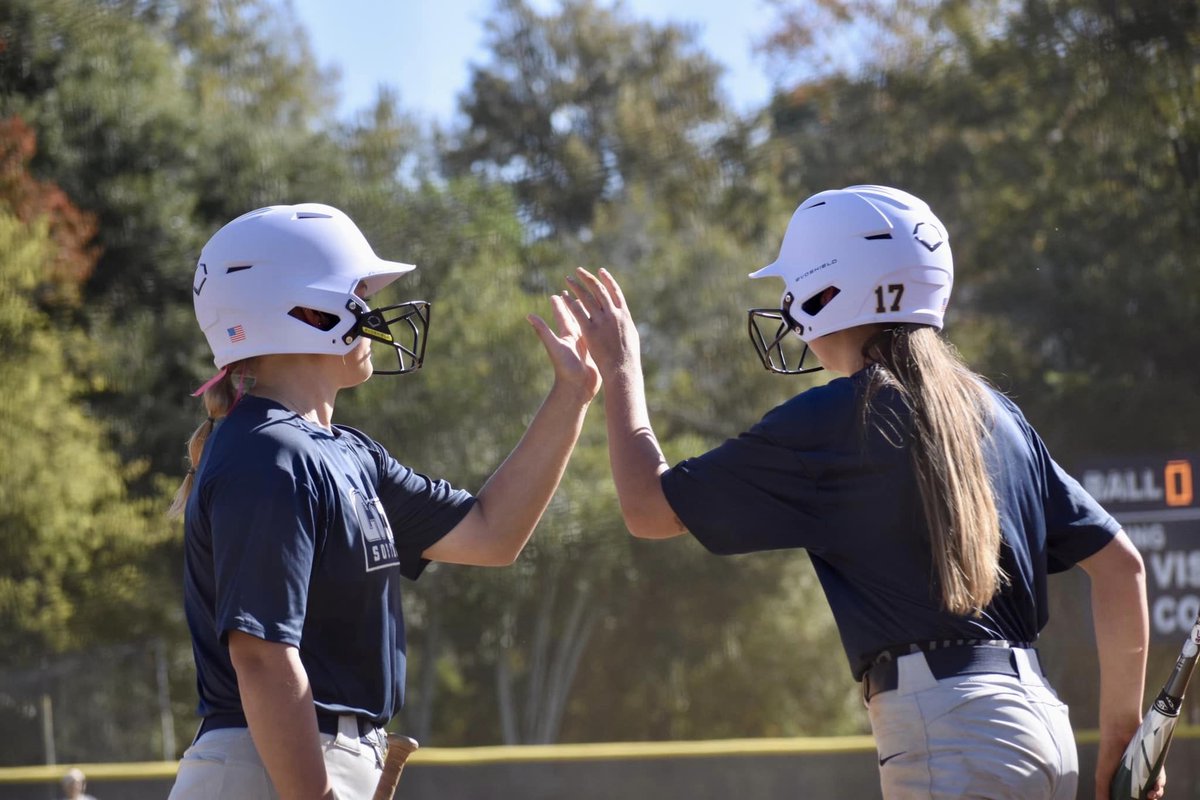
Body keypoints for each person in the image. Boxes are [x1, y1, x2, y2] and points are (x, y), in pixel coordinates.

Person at [562, 185, 1160, 800]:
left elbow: (646, 508)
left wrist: (622, 370)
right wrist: (1122, 734)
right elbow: (1121, 567)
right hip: (1043, 731)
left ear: (832, 289)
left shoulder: (835, 418)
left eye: (797, 290)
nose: (790, 309)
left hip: (951, 733)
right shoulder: (998, 414)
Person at [166, 203, 599, 800]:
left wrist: (572, 395)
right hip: (273, 768)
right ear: (307, 314)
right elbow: (263, 660)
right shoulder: (269, 455)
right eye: (358, 296)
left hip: (302, 764)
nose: (373, 314)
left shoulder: (337, 451)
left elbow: (492, 533)